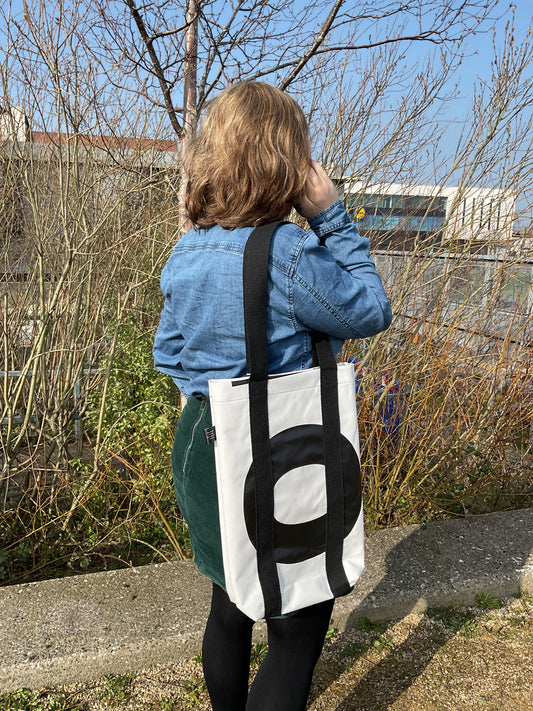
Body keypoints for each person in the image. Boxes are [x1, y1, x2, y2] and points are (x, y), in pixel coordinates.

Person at [153, 81, 392, 711]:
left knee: (230, 598)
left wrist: (210, 400)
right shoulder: (289, 252)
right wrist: (331, 216)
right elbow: (371, 309)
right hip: (282, 448)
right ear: (287, 162)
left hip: (203, 444)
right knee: (296, 627)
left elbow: (168, 352)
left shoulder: (186, 249)